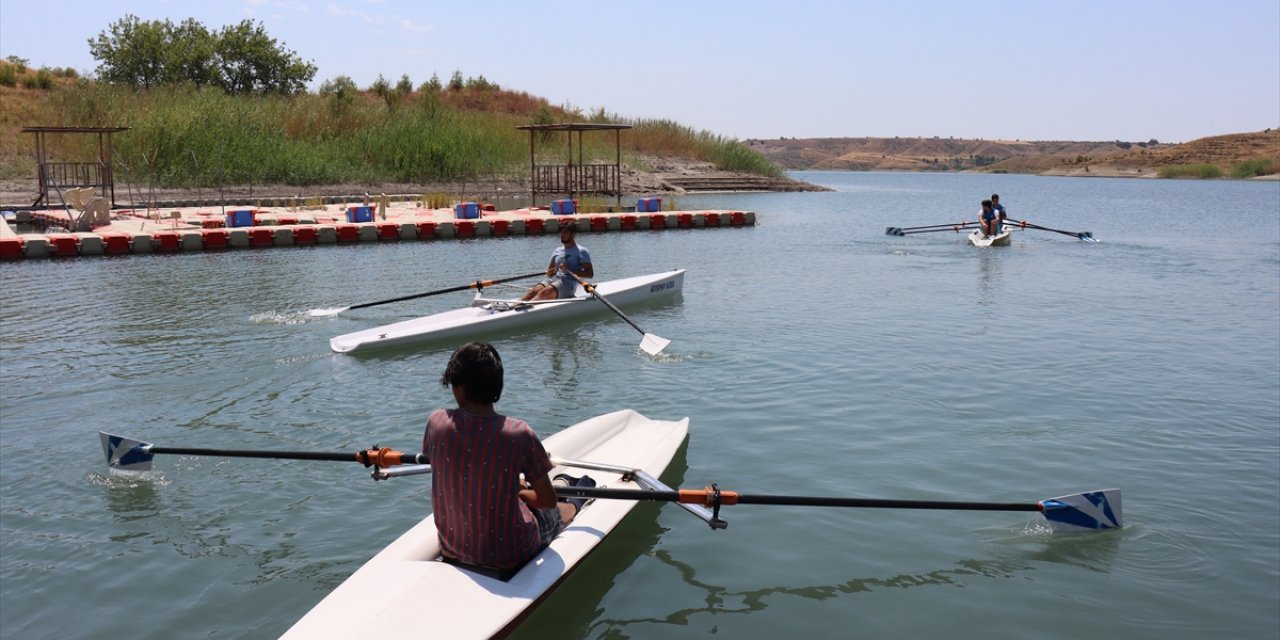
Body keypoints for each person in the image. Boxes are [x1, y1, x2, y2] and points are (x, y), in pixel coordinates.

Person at [422, 342, 585, 571]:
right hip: (511, 551)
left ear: (458, 386)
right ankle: (579, 499)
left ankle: (564, 484)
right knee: (553, 510)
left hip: (453, 548)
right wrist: (519, 492)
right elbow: (546, 500)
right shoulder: (519, 433)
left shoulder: (436, 422)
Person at [520, 221, 593, 301]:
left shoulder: (581, 251)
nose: (562, 235)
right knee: (533, 291)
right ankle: (513, 307)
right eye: (561, 233)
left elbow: (590, 273)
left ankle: (525, 309)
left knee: (545, 292)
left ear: (573, 234)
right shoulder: (557, 251)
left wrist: (569, 270)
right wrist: (551, 272)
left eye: (565, 232)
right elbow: (550, 273)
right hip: (554, 280)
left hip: (569, 283)